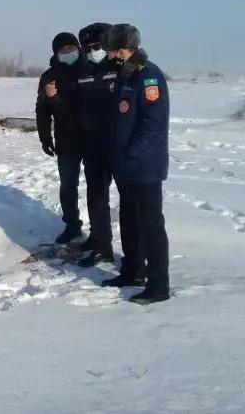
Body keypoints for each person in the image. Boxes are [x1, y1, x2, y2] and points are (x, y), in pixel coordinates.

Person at [102, 23, 171, 305]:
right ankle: (133, 270)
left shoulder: (148, 75)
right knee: (129, 220)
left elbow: (153, 122)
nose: (108, 55)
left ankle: (158, 285)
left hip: (144, 165)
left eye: (111, 50)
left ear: (123, 49)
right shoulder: (125, 74)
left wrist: (131, 152)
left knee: (150, 224)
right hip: (126, 165)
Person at [73, 22, 119, 268]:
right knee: (96, 196)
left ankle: (134, 255)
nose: (92, 50)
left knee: (130, 202)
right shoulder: (84, 69)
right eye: (87, 47)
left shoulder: (122, 68)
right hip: (93, 145)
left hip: (118, 145)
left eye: (97, 46)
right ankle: (100, 241)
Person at [35, 32, 87, 244]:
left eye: (70, 49)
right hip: (66, 139)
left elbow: (84, 107)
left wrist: (55, 98)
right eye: (62, 50)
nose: (68, 53)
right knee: (68, 185)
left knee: (96, 188)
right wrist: (44, 137)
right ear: (56, 53)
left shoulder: (89, 70)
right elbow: (42, 110)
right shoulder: (49, 77)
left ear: (78, 48)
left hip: (92, 138)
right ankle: (72, 225)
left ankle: (100, 235)